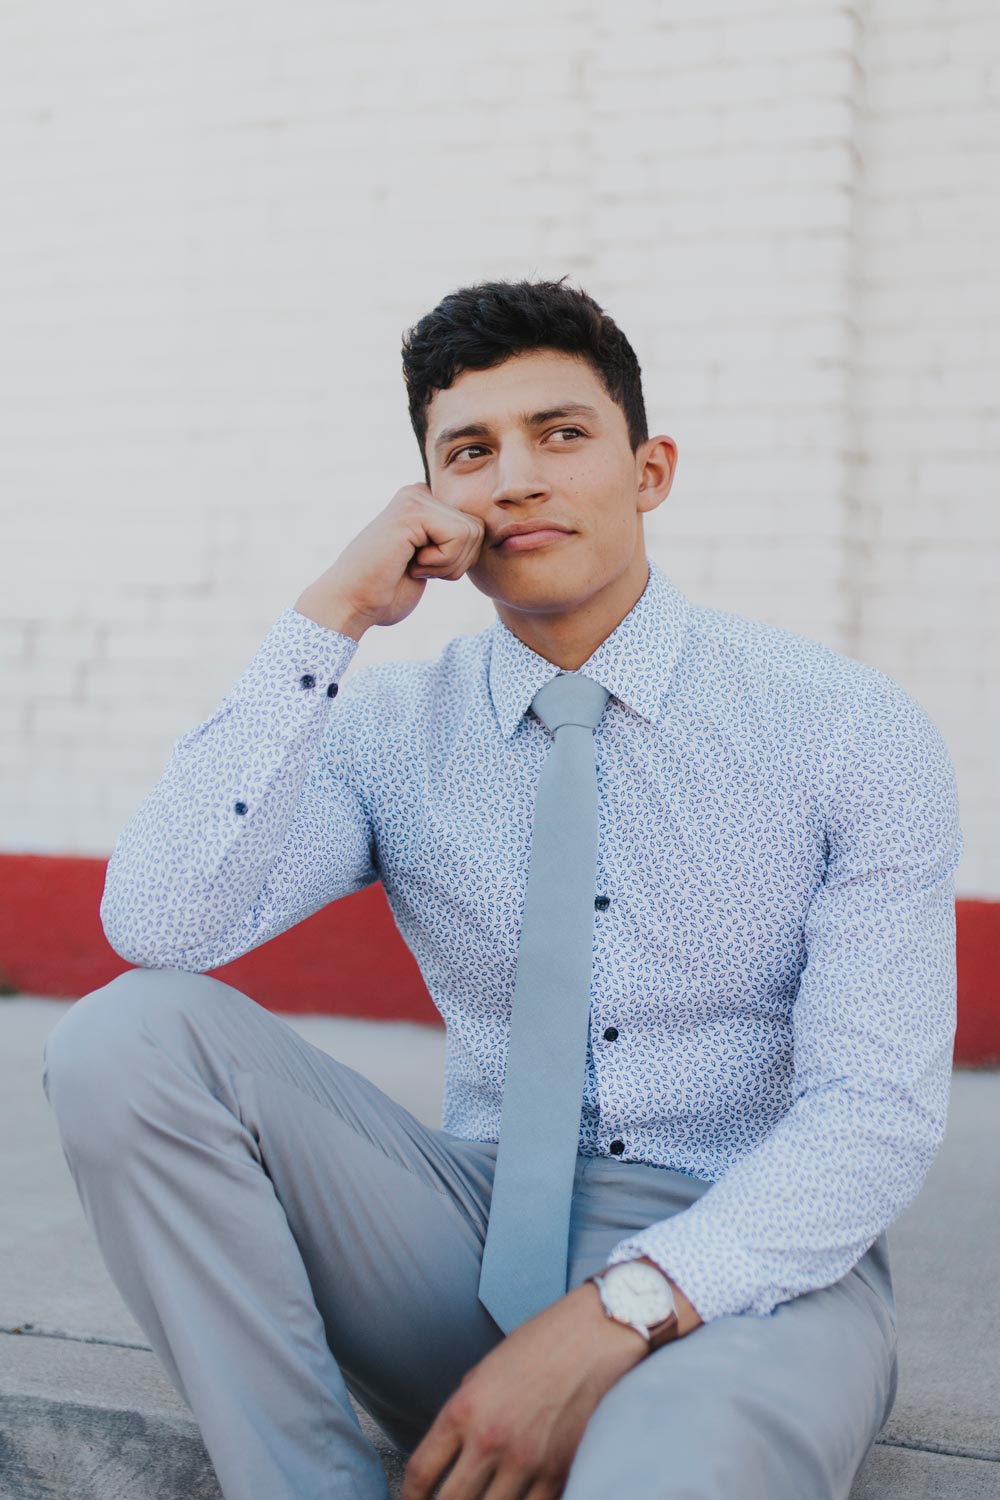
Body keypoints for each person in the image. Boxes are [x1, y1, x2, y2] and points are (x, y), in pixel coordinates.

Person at [42, 277, 963, 1500]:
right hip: (467, 1241)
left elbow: (873, 1115)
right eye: (470, 451)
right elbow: (160, 925)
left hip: (746, 1269)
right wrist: (328, 620)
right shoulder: (390, 732)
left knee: (669, 1476)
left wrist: (613, 1313)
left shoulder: (843, 730)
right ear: (432, 499)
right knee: (126, 1036)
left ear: (650, 471)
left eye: (561, 434)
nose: (516, 478)